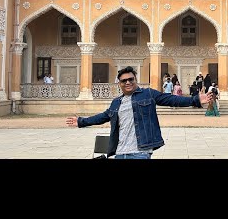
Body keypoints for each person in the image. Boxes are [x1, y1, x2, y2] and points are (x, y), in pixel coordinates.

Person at [66, 66, 213, 159]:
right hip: (120, 152)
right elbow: (103, 117)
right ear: (120, 83)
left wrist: (195, 100)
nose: (128, 82)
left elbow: (171, 100)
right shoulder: (116, 102)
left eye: (131, 79)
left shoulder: (148, 94)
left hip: (140, 152)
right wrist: (81, 121)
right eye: (124, 81)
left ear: (135, 80)